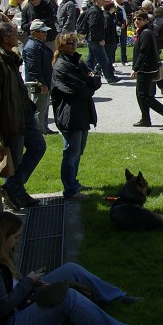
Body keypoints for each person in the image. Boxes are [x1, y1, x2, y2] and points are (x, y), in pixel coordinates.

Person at [0, 212, 152, 325]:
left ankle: (117, 297)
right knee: (68, 298)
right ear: (2, 236)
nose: (18, 241)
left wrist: (31, 284)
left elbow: (10, 287)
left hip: (21, 305)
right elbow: (3, 306)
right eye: (15, 237)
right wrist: (28, 282)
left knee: (70, 269)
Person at [0, 21, 43, 209]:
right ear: (6, 38)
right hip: (11, 120)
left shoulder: (8, 56)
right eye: (15, 33)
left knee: (38, 147)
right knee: (16, 159)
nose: (19, 35)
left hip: (23, 114)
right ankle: (15, 192)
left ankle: (13, 188)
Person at [49, 32, 100, 201]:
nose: (73, 45)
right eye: (69, 43)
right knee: (70, 153)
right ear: (61, 46)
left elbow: (94, 80)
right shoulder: (62, 65)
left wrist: (89, 82)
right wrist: (88, 82)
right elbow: (77, 89)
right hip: (70, 115)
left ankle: (73, 183)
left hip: (82, 113)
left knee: (78, 152)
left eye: (74, 42)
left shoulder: (77, 60)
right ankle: (69, 190)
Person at [130, 11, 163, 128]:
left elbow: (143, 53)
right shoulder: (143, 32)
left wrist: (135, 68)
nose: (136, 21)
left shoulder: (146, 33)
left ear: (145, 20)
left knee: (144, 96)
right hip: (145, 68)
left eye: (139, 19)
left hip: (146, 68)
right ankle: (145, 119)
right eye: (135, 19)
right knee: (141, 95)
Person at [22, 19, 55, 136]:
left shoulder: (38, 44)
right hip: (38, 84)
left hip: (44, 82)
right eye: (42, 32)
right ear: (34, 32)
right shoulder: (32, 47)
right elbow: (34, 69)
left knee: (44, 108)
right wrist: (42, 84)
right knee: (38, 110)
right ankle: (37, 133)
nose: (45, 34)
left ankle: (43, 129)